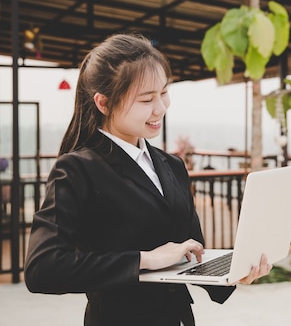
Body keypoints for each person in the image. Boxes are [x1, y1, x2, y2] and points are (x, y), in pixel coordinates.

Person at [24, 33, 272, 326]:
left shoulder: (172, 165)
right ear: (103, 103)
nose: (160, 108)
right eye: (146, 99)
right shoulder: (77, 169)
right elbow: (43, 268)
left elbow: (190, 252)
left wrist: (234, 273)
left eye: (163, 93)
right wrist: (145, 259)